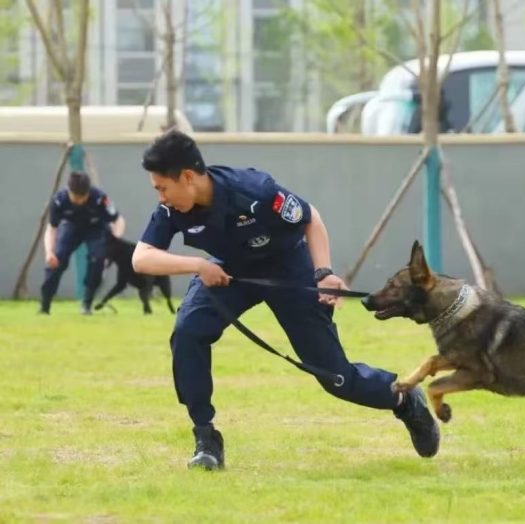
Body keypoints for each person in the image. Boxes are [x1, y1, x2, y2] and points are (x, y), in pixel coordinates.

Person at [132, 129, 440, 470]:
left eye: (163, 188)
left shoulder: (255, 191)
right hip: (231, 273)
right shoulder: (172, 210)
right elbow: (141, 258)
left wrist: (323, 274)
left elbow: (311, 218)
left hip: (289, 269)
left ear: (187, 177)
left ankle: (402, 398)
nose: (160, 197)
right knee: (189, 330)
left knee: (335, 377)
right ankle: (205, 439)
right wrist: (198, 265)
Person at [40, 171, 125, 315]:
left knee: (98, 259)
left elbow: (118, 220)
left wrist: (114, 241)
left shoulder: (100, 198)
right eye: (76, 197)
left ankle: (86, 304)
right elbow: (51, 228)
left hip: (96, 228)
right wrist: (49, 252)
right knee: (57, 259)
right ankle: (45, 306)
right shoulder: (58, 200)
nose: (79, 201)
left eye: (83, 197)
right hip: (71, 227)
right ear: (69, 190)